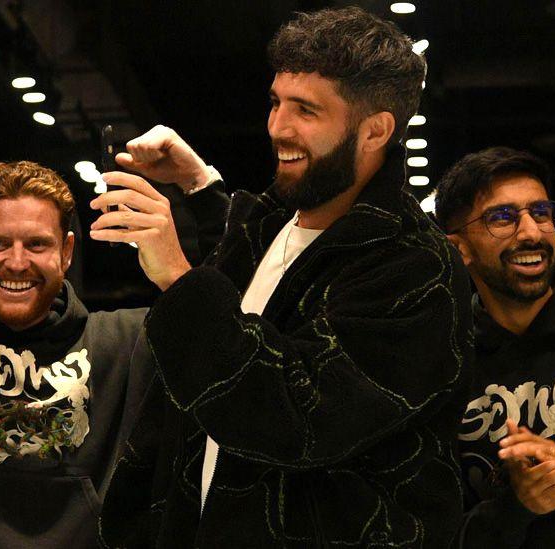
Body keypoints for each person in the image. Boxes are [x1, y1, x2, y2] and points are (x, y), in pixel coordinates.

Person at [91, 6, 474, 547]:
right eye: (276, 102)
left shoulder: (418, 267)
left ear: (376, 130)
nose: (277, 128)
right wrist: (198, 183)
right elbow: (258, 290)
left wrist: (178, 279)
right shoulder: (278, 220)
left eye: (306, 110)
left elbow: (290, 417)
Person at [0, 158, 227, 548]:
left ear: (66, 251)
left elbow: (241, 332)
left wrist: (200, 188)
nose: (17, 263)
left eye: (37, 244)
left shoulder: (127, 341)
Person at [435, 147, 555, 548]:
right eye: (502, 218)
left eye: (540, 212)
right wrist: (517, 503)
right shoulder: (439, 363)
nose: (532, 232)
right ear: (458, 248)